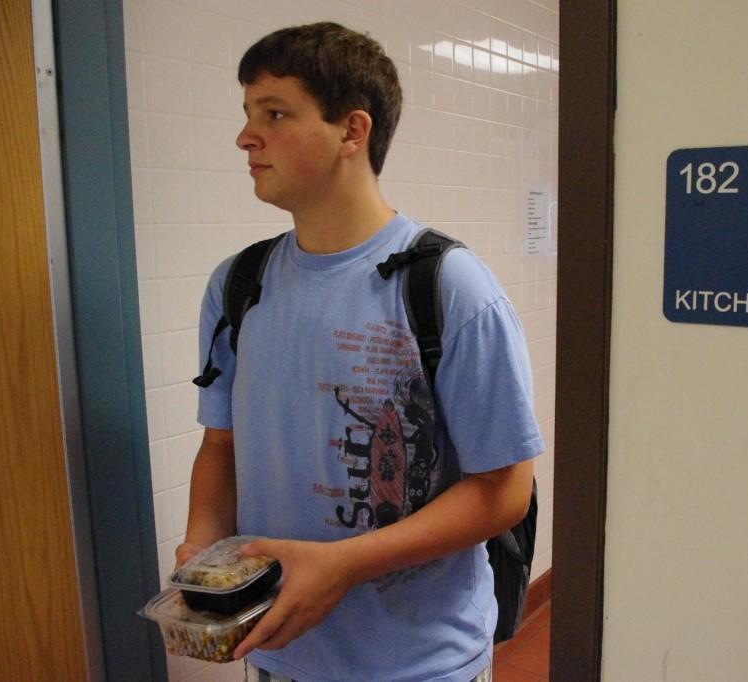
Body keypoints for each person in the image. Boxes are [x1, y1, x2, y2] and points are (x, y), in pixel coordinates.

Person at [177, 22, 543, 682]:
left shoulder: (446, 286)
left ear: (352, 131)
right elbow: (221, 448)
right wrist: (201, 549)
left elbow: (505, 490)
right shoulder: (236, 285)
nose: (245, 136)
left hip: (421, 664)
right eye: (247, 114)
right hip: (280, 653)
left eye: (275, 113)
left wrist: (343, 564)